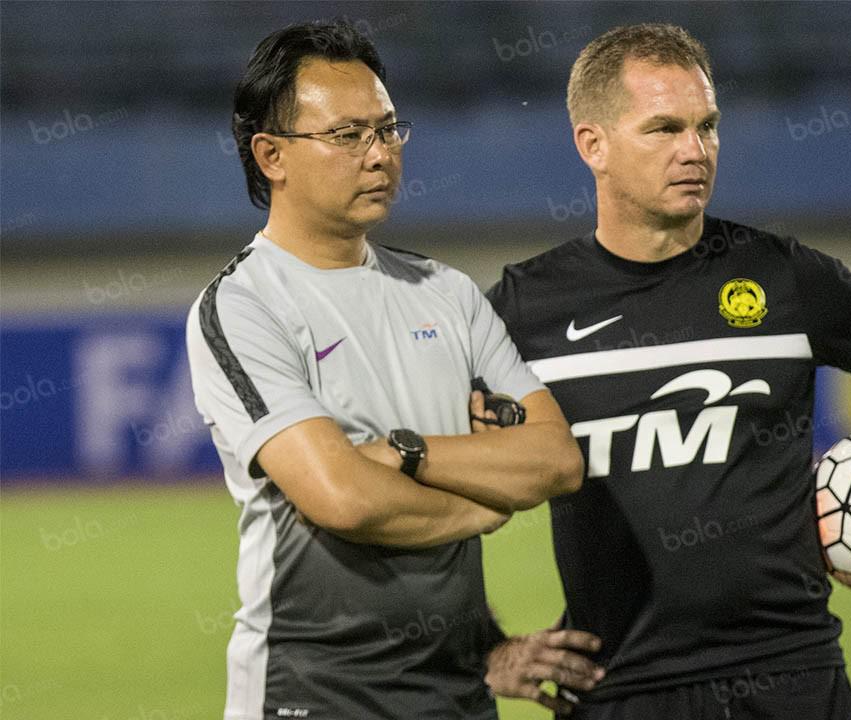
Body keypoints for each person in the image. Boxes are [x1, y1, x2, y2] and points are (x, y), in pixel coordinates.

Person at [484, 23, 851, 719]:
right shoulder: (525, 308)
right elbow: (434, 486)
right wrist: (483, 647)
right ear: (594, 145)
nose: (695, 150)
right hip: (618, 692)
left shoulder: (787, 278)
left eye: (707, 126)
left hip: (790, 682)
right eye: (664, 128)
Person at [186, 21, 598, 720]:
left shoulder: (446, 292)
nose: (379, 154)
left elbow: (555, 461)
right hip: (311, 695)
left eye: (387, 129)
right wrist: (485, 503)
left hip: (457, 696)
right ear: (271, 155)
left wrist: (405, 453)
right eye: (348, 135)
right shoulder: (244, 305)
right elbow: (343, 499)